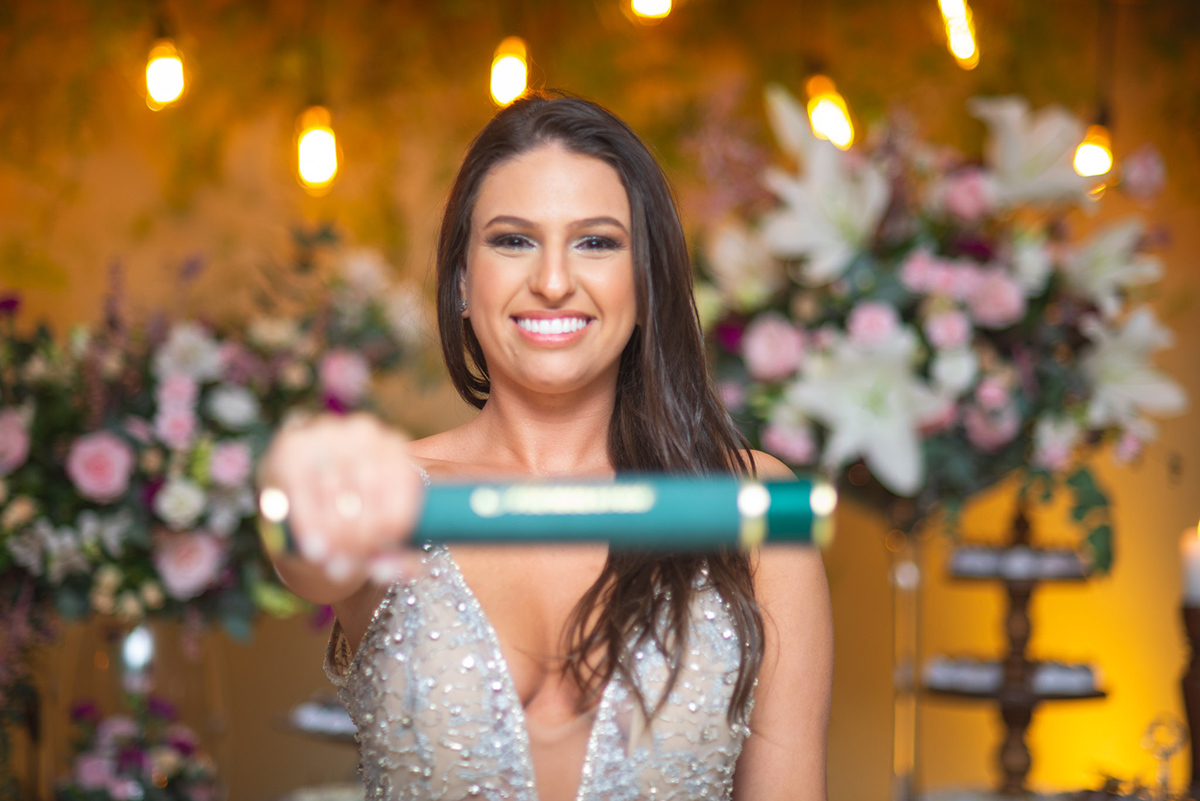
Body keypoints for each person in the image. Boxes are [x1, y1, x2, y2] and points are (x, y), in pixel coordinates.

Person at [257, 93, 833, 801]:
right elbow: (308, 560)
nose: (553, 283)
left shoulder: (752, 506)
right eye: (513, 241)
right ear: (462, 281)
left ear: (646, 281)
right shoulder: (389, 489)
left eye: (595, 242)